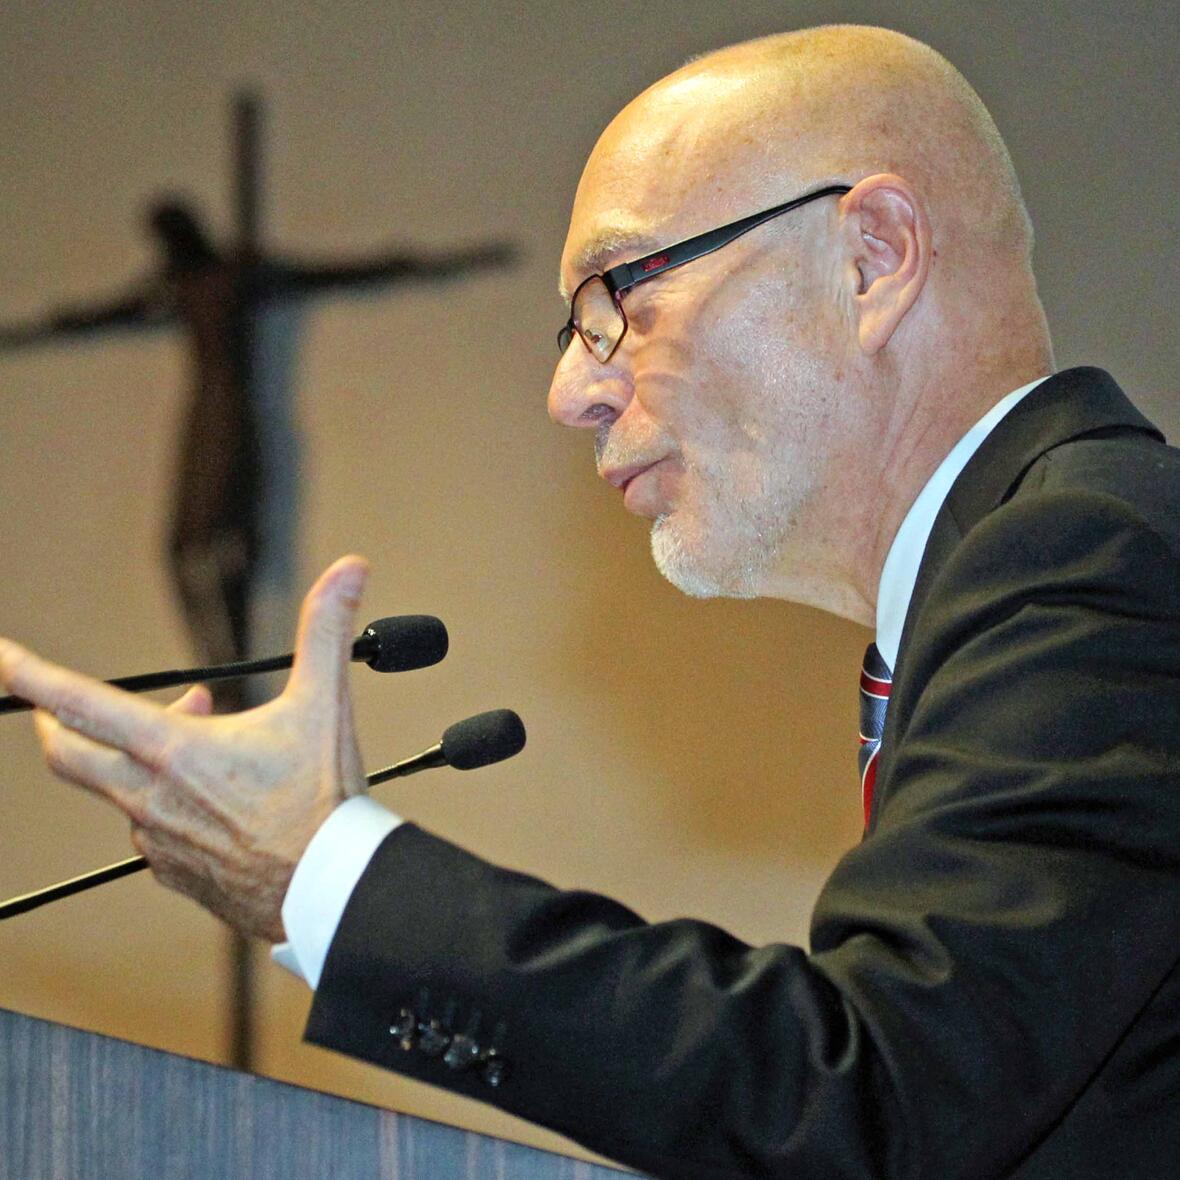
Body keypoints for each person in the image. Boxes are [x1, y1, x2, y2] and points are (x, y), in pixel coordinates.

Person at [1, 24, 1178, 1179]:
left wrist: (321, 869)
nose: (571, 389)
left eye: (617, 292)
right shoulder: (1037, 572)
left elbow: (869, 1099)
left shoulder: (1098, 552)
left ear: (870, 256)